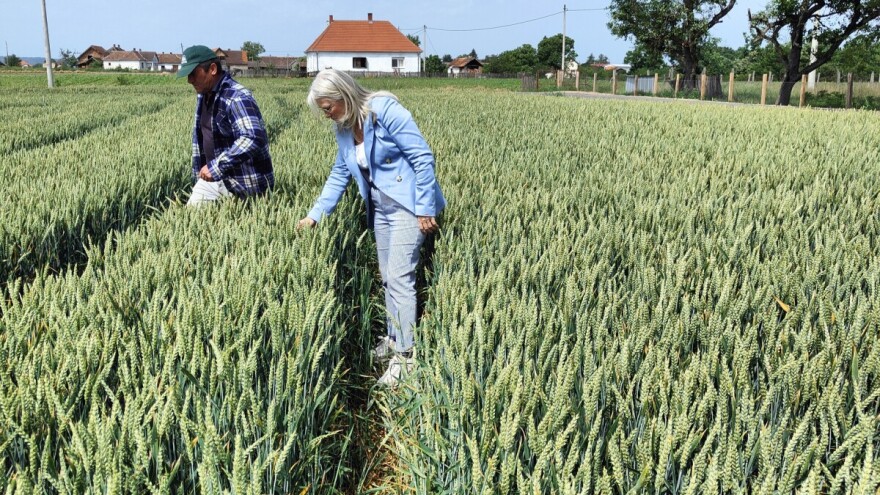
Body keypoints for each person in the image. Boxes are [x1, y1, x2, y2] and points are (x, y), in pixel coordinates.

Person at [298, 69, 446, 386]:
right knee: (387, 276)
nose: (326, 115)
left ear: (344, 95)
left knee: (400, 277)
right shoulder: (343, 128)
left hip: (407, 204)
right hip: (379, 206)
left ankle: (406, 357)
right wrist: (315, 214)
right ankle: (394, 337)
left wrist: (424, 207)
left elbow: (422, 157)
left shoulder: (384, 110)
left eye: (328, 107)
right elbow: (340, 173)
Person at [177, 45, 273, 206]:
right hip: (212, 181)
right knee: (187, 218)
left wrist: (216, 167)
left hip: (244, 183)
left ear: (212, 69)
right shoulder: (204, 95)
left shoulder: (237, 97)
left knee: (242, 221)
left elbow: (253, 137)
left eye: (193, 74)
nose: (189, 80)